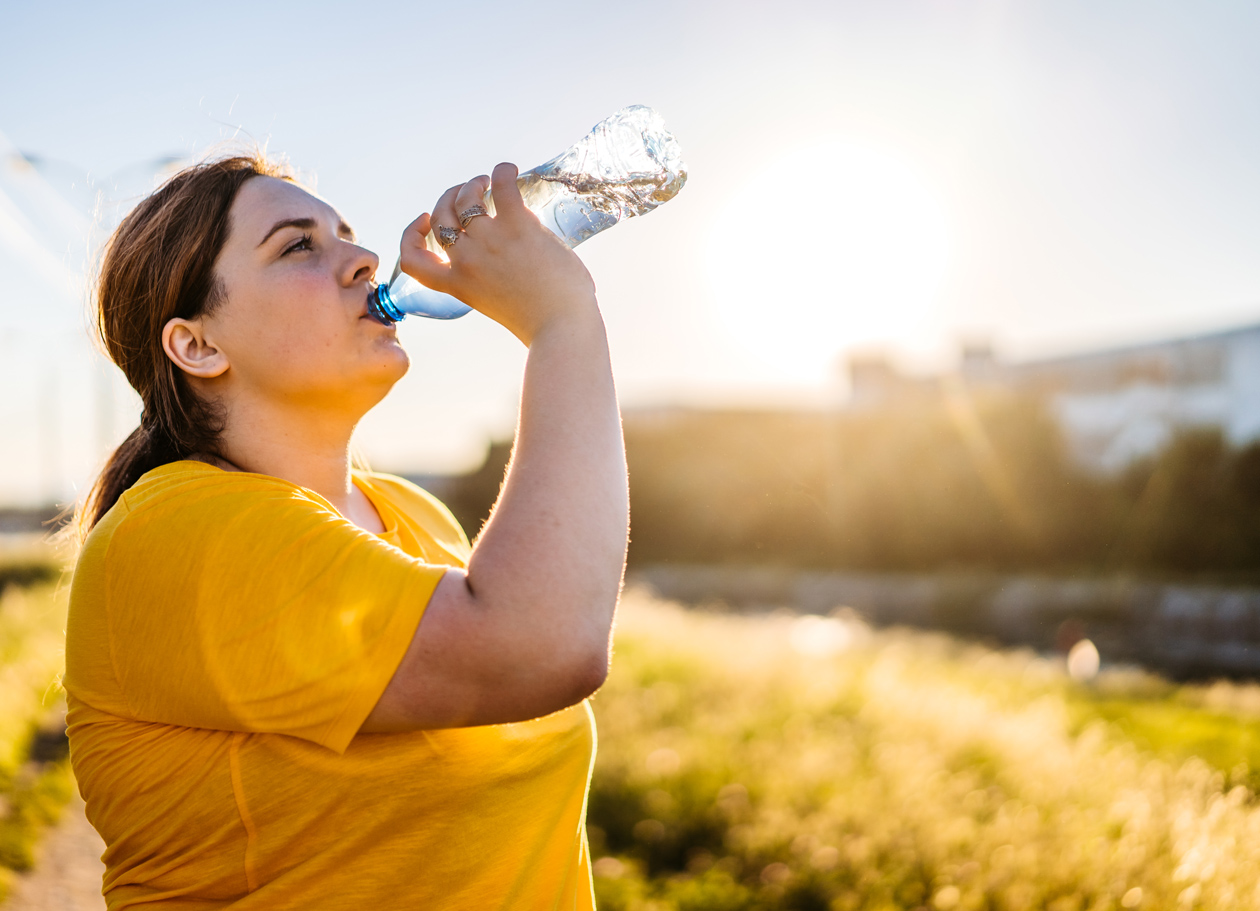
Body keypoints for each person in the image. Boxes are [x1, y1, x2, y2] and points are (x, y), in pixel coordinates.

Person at [63, 150, 629, 909]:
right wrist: (563, 324)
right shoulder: (172, 529)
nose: (364, 261)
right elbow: (541, 646)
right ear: (197, 345)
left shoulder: (412, 517)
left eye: (347, 235)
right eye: (299, 245)